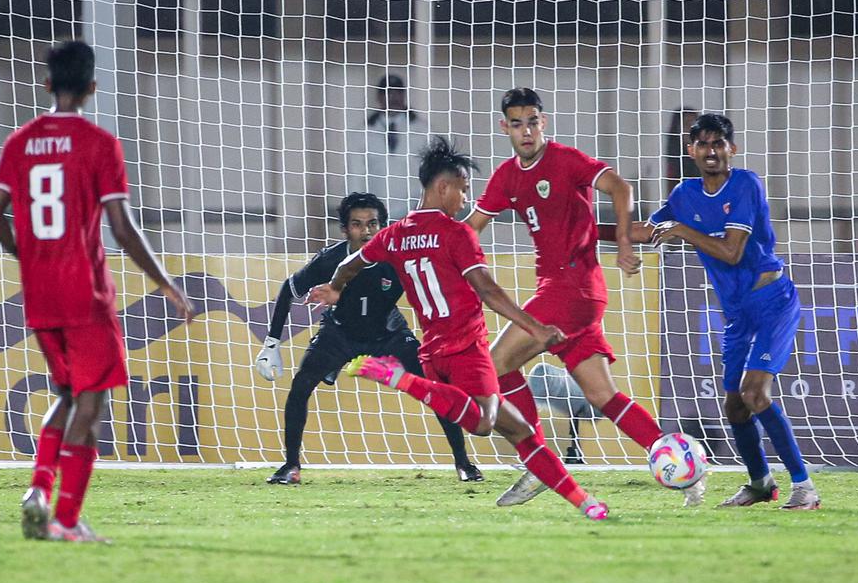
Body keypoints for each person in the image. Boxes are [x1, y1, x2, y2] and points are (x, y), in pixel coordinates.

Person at [309, 137, 609, 521]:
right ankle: (399, 378)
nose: (466, 200)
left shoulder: (394, 234)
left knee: (519, 431)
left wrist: (335, 287)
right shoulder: (456, 233)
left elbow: (351, 262)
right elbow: (488, 291)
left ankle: (587, 503)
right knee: (485, 422)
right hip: (466, 349)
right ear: (443, 187)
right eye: (464, 190)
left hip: (433, 355)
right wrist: (535, 328)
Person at [0, 39, 196, 542]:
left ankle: (38, 488)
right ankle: (68, 520)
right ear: (93, 87)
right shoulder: (100, 144)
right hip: (84, 292)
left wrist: (25, 254)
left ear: (47, 82)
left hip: (39, 294)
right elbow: (121, 227)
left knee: (66, 393)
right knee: (93, 404)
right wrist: (164, 282)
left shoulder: (20, 141)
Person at [465, 88, 697, 507]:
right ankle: (685, 468)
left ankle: (536, 463)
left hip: (570, 287)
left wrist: (624, 240)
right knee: (601, 395)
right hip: (572, 296)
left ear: (543, 122)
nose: (526, 130)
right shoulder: (506, 176)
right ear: (505, 128)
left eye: (533, 121)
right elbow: (472, 226)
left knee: (494, 366)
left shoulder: (567, 161)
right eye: (517, 124)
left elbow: (620, 188)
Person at [633, 112, 820, 510]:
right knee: (734, 405)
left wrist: (682, 231)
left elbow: (732, 252)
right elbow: (646, 231)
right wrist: (582, 225)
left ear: (731, 148)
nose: (711, 151)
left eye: (718, 143)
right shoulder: (684, 195)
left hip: (771, 303)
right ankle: (760, 484)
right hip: (736, 313)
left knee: (755, 392)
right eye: (702, 144)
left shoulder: (746, 184)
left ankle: (804, 487)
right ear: (691, 151)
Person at [255, 192, 482, 485]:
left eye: (373, 224)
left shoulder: (398, 258)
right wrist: (272, 343)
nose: (366, 231)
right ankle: (290, 466)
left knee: (436, 387)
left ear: (384, 226)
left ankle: (463, 462)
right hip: (340, 333)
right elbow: (289, 289)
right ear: (345, 229)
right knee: (300, 386)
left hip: (388, 334)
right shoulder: (330, 259)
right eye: (357, 224)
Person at [348, 74, 429, 218]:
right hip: (374, 212)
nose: (393, 98)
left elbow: (432, 173)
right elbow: (354, 175)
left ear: (403, 95)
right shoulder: (362, 133)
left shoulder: (424, 131)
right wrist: (355, 209)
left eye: (397, 93)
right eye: (388, 93)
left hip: (414, 210)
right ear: (379, 97)